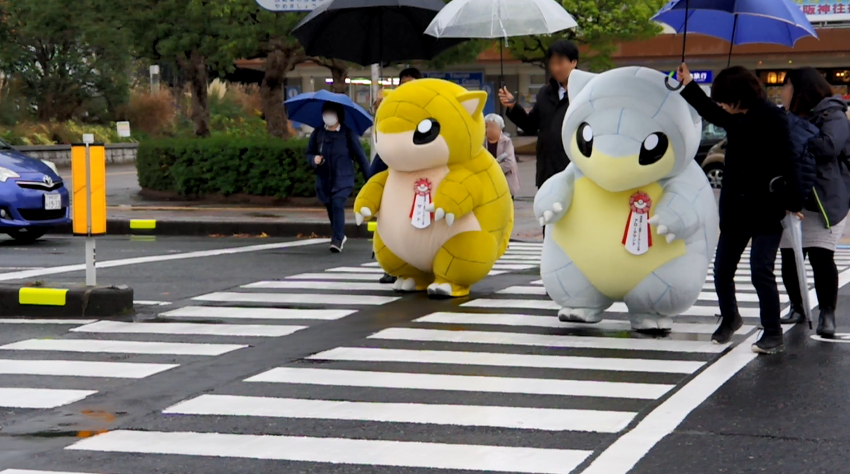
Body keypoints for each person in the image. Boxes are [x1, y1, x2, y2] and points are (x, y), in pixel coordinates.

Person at [677, 63, 798, 355]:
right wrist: (688, 83)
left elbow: (790, 159)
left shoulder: (772, 117)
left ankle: (772, 332)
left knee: (760, 271)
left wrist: (793, 203)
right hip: (735, 209)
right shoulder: (734, 118)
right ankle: (730, 317)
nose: (721, 105)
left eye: (724, 99)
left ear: (739, 97)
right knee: (722, 270)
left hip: (767, 207)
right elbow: (710, 110)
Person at [778, 68, 850, 338]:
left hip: (824, 201)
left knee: (822, 258)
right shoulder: (788, 118)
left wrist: (795, 133)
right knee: (790, 257)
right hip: (793, 199)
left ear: (800, 90)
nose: (783, 92)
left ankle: (827, 315)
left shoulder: (833, 115)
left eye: (786, 86)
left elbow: (828, 147)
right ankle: (797, 307)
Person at [369, 68, 422, 283]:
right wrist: (380, 110)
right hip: (391, 159)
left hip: (414, 165)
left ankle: (413, 267)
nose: (406, 87)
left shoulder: (423, 105)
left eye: (411, 83)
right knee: (389, 219)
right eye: (403, 83)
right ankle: (390, 266)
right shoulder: (391, 104)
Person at [306, 102, 370, 253]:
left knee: (337, 204)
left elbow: (361, 158)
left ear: (338, 115)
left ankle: (337, 239)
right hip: (325, 178)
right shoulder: (318, 133)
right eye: (326, 112)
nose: (328, 116)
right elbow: (309, 153)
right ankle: (338, 232)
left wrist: (371, 180)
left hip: (343, 178)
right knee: (329, 205)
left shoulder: (348, 134)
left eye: (331, 112)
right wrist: (314, 159)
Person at [484, 113, 519, 198]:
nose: (489, 129)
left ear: (500, 128)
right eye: (487, 126)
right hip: (486, 183)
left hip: (504, 181)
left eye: (493, 126)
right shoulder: (481, 142)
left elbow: (509, 163)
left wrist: (492, 170)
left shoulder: (506, 142)